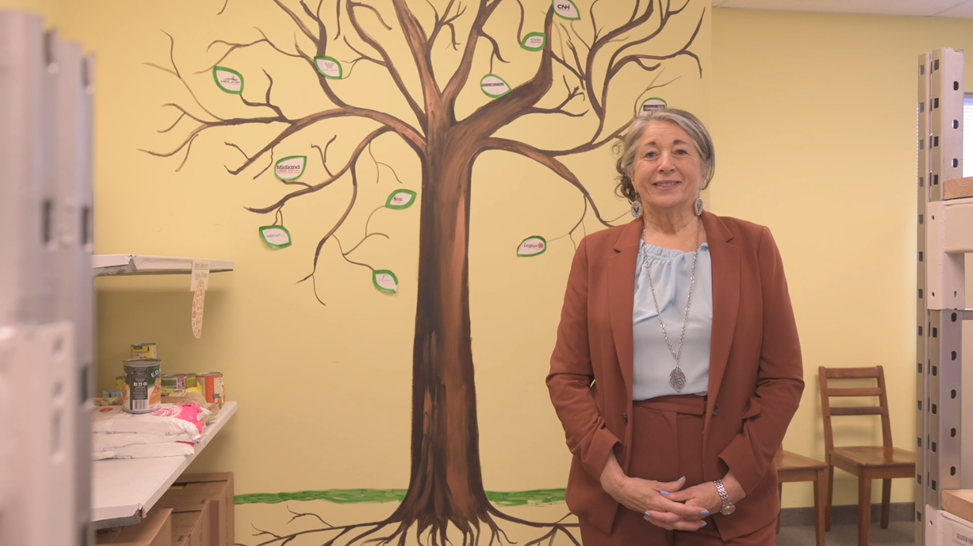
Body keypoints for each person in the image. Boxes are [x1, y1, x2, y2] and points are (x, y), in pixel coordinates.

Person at [547, 108, 804, 545]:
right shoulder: (595, 254)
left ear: (704, 168)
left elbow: (782, 378)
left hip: (730, 464)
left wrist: (731, 486)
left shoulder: (753, 246)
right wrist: (614, 480)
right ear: (631, 173)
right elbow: (566, 377)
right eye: (649, 154)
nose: (665, 163)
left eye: (680, 151)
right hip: (623, 468)